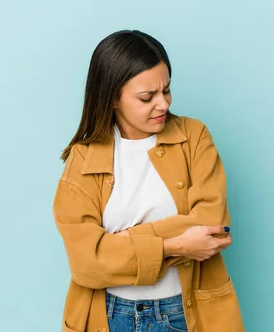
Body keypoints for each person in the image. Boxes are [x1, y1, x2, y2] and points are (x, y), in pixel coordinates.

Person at [52, 30, 245, 332]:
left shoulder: (193, 138)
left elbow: (210, 225)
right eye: (147, 97)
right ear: (112, 98)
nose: (163, 104)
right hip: (109, 315)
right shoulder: (83, 158)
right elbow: (85, 264)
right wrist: (175, 244)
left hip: (182, 312)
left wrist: (121, 241)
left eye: (166, 90)